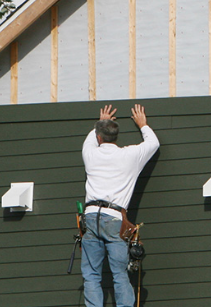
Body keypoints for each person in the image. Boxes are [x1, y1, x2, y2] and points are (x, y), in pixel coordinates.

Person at [81, 103, 160, 307]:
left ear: (99, 137)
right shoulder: (129, 156)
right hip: (114, 218)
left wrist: (102, 121)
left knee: (91, 275)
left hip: (90, 216)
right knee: (120, 273)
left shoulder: (90, 154)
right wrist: (143, 125)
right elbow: (153, 144)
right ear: (116, 137)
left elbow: (91, 139)